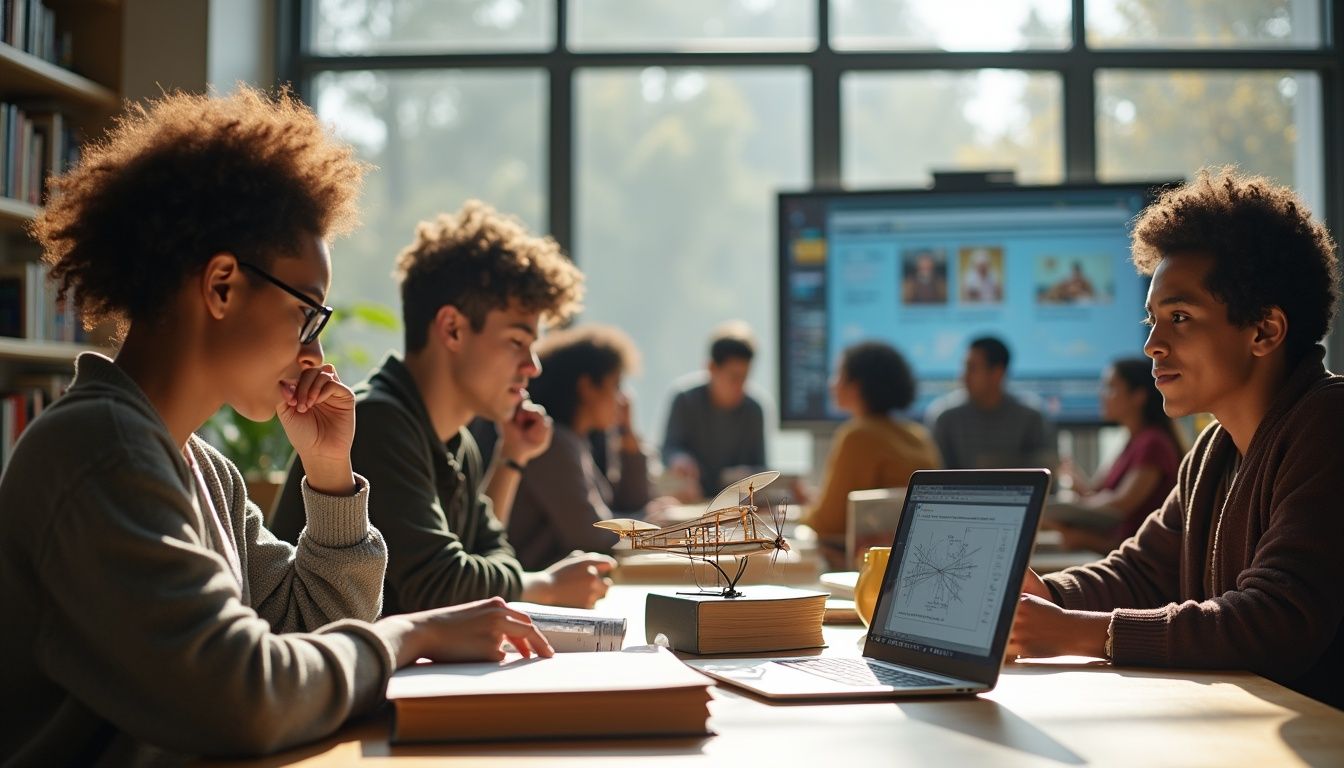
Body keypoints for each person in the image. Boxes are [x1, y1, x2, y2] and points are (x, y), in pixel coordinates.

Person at [0, 88, 551, 764]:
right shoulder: (100, 453)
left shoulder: (203, 469)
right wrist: (411, 637)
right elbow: (244, 698)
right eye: (306, 313)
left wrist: (329, 476)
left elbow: (304, 629)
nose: (314, 353)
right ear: (223, 285)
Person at [1008, 169, 1344, 711]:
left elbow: (1277, 618)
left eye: (1180, 318)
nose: (1152, 346)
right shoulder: (1212, 453)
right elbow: (1140, 573)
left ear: (1265, 331)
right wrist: (1047, 596)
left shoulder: (1329, 424)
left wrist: (1075, 632)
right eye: (1152, 321)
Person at [271, 201, 614, 611]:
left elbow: (492, 555)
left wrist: (512, 458)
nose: (532, 366)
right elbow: (439, 584)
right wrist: (545, 587)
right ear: (452, 329)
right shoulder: (378, 422)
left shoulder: (457, 442)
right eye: (517, 342)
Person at [508, 325, 670, 571]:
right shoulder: (552, 445)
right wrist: (653, 528)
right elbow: (591, 536)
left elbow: (629, 499)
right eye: (615, 385)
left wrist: (627, 436)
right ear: (587, 387)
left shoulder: (578, 440)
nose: (622, 398)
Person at [800, 342, 942, 560]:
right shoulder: (917, 435)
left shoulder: (858, 435)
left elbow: (828, 524)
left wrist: (802, 509)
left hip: (866, 563)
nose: (832, 383)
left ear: (856, 386)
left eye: (839, 374)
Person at [1045, 358, 1183, 553]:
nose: (1102, 396)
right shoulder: (1132, 441)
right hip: (1123, 552)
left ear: (1138, 396)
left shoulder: (1153, 443)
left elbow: (1120, 504)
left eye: (1111, 388)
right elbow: (1098, 495)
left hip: (1139, 560)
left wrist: (1072, 512)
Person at [661, 321, 767, 502]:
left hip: (735, 509)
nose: (740, 386)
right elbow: (669, 448)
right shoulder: (685, 400)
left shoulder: (754, 410)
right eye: (734, 377)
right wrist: (680, 461)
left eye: (745, 377)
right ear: (711, 368)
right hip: (689, 504)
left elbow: (761, 466)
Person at [924, 336, 1054, 469]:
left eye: (972, 368)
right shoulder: (944, 416)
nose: (963, 376)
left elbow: (1043, 472)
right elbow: (937, 476)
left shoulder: (1031, 416)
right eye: (964, 367)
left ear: (997, 373)